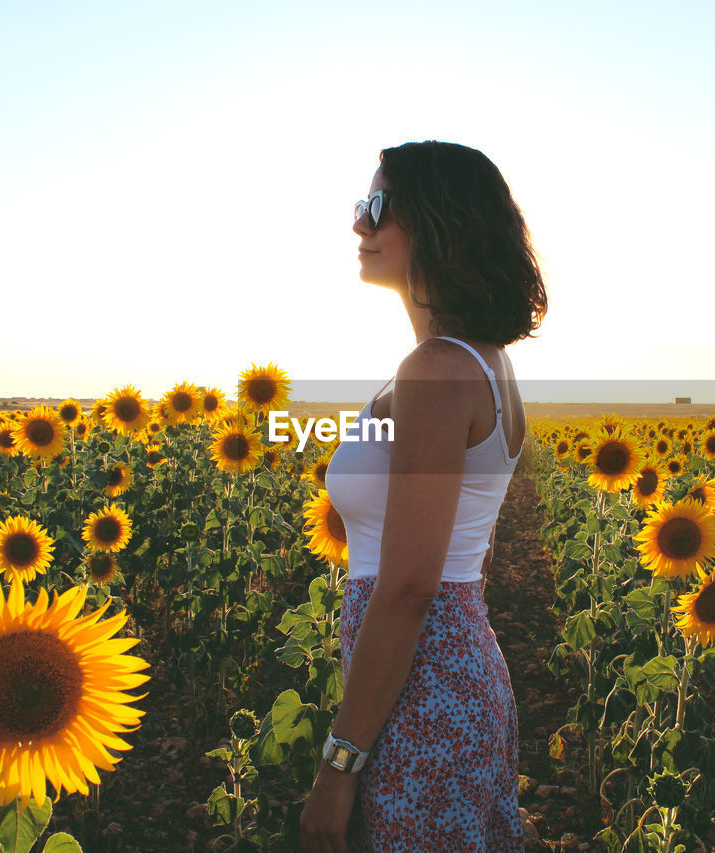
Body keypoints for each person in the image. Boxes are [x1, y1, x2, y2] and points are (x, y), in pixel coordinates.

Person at [299, 140, 547, 852]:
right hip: (449, 673)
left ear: (437, 223)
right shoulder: (481, 365)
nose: (359, 225)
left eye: (376, 207)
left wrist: (338, 766)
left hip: (423, 690)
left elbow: (409, 584)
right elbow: (472, 553)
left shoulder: (435, 370)